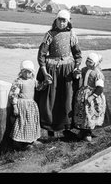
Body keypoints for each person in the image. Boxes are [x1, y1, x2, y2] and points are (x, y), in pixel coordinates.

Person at [35, 9, 82, 139]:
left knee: (66, 98)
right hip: (51, 71)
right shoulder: (49, 34)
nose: (61, 23)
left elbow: (77, 54)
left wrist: (76, 68)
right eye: (59, 20)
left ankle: (66, 128)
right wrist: (44, 73)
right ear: (56, 20)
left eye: (64, 20)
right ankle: (50, 129)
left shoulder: (72, 35)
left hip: (67, 71)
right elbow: (42, 54)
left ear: (68, 21)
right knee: (51, 99)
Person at [73, 52, 111, 142]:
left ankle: (88, 132)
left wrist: (92, 96)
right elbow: (79, 77)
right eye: (87, 61)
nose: (87, 63)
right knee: (82, 113)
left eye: (90, 62)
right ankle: (82, 131)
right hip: (83, 93)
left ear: (95, 63)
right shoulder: (84, 69)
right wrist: (77, 75)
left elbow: (100, 88)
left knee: (90, 113)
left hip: (92, 96)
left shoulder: (98, 74)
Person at [9, 60, 45, 149]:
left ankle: (31, 140)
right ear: (21, 72)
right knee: (23, 123)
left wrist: (45, 83)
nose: (27, 74)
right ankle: (21, 142)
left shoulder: (33, 80)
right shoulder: (18, 81)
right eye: (25, 72)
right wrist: (15, 106)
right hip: (22, 105)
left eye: (29, 72)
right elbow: (14, 95)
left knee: (32, 122)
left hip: (31, 104)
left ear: (32, 72)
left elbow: (39, 87)